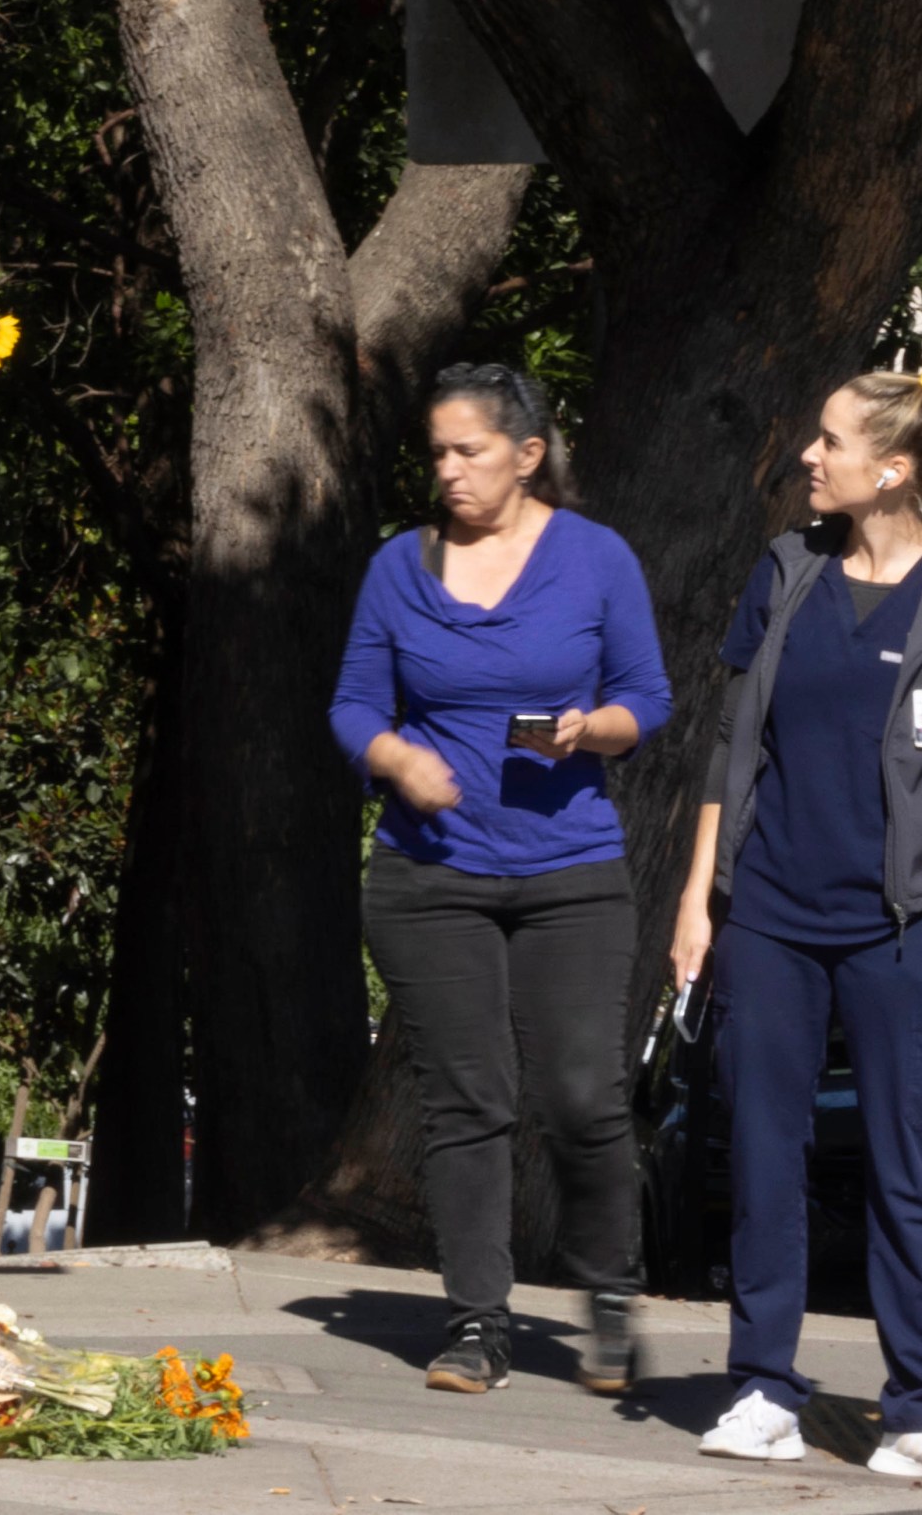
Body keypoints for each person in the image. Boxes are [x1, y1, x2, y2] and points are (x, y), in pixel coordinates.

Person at [671, 354, 922, 1485]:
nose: (805, 457)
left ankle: (919, 1409)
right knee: (762, 1161)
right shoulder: (783, 570)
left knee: (907, 1166)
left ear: (891, 467)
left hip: (901, 927)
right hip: (769, 919)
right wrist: (697, 899)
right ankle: (761, 1388)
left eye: (826, 441)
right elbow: (732, 751)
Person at [330, 361, 671, 1397]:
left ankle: (609, 1296)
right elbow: (352, 705)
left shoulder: (594, 558)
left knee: (580, 1092)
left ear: (525, 455)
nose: (446, 470)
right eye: (434, 451)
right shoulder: (400, 564)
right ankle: (476, 1320)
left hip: (567, 868)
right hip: (428, 877)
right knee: (465, 1100)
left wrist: (591, 727)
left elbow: (644, 695)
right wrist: (393, 759)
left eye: (466, 450)